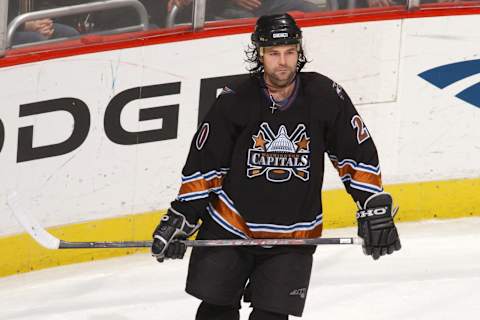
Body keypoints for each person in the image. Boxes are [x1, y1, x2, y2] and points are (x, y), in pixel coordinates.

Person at [151, 13, 401, 320]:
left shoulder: (324, 96)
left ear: (299, 52)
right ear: (259, 53)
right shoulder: (234, 100)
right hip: (232, 227)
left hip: (292, 238)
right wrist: (183, 217)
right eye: (273, 53)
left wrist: (372, 203)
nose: (282, 62)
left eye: (290, 52)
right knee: (215, 313)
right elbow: (206, 166)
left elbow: (356, 155)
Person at [8, 0, 79, 46]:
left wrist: (44, 21)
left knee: (70, 34)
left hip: (33, 20)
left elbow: (45, 4)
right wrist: (26, 25)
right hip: (7, 30)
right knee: (38, 40)